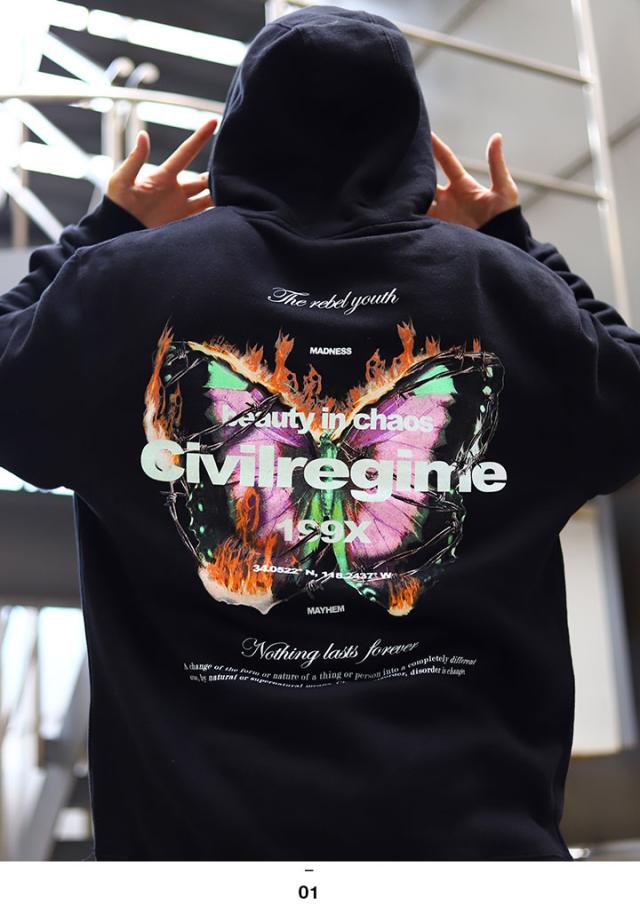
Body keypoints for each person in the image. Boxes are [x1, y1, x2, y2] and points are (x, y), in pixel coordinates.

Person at [1, 5, 639, 862]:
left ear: (239, 128)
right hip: (472, 858)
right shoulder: (505, 288)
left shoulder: (124, 282)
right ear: (410, 138)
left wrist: (102, 231)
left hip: (195, 860)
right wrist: (518, 246)